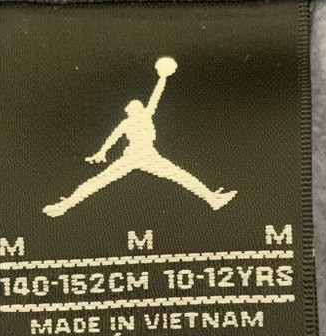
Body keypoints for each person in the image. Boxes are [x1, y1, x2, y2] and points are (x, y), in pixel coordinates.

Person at [43, 56, 237, 216]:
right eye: (134, 106)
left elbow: (155, 96)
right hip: (139, 155)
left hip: (143, 155)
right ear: (132, 110)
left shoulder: (141, 116)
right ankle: (65, 205)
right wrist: (101, 152)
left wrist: (163, 77)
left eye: (135, 106)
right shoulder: (133, 120)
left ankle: (212, 199)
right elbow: (113, 138)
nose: (135, 107)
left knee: (99, 181)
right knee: (180, 176)